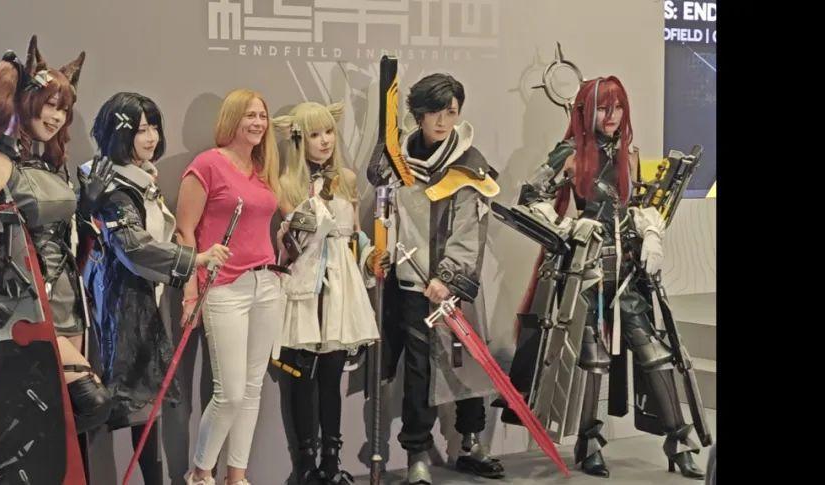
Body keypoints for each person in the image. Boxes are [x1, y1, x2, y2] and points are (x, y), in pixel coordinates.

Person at [0, 35, 109, 484]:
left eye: (63, 109)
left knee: (64, 426)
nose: (57, 116)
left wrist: (87, 212)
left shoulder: (52, 165)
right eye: (49, 104)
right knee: (67, 410)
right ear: (23, 99)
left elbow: (65, 241)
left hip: (69, 303)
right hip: (21, 310)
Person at [510, 76, 704, 479]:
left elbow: (640, 203)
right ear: (587, 111)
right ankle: (590, 442)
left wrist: (651, 231)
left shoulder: (629, 155)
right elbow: (530, 196)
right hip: (587, 271)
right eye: (603, 107)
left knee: (655, 352)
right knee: (593, 360)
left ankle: (679, 440)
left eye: (617, 107)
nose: (612, 115)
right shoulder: (569, 153)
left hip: (628, 270)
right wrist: (568, 228)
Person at [78, 92, 231, 485]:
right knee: (123, 404)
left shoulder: (139, 177)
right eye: (141, 129)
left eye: (154, 127)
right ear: (119, 133)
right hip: (118, 304)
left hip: (142, 297)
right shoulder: (111, 184)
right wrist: (195, 259)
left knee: (146, 410)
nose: (151, 137)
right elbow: (134, 248)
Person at [365, 73, 504, 484]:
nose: (442, 121)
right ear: (418, 114)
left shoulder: (467, 164)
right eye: (433, 113)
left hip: (450, 288)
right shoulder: (397, 159)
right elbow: (385, 214)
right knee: (419, 373)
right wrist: (381, 252)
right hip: (410, 285)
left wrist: (448, 276)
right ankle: (417, 453)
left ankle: (470, 442)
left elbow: (470, 229)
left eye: (450, 112)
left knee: (466, 364)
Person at [178, 88, 285, 485]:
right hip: (223, 286)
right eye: (249, 115)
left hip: (266, 283)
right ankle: (200, 474)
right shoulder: (207, 165)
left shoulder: (262, 169)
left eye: (262, 116)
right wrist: (190, 293)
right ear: (232, 119)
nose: (258, 123)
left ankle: (236, 477)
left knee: (253, 390)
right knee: (230, 393)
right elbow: (185, 232)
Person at [271, 100, 379, 484]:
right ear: (299, 139)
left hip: (341, 287)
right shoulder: (285, 184)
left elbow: (354, 236)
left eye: (329, 132)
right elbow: (293, 243)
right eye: (314, 134)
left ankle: (332, 464)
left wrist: (370, 258)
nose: (324, 141)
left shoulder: (347, 178)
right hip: (304, 284)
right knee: (302, 377)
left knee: (332, 377)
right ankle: (305, 466)